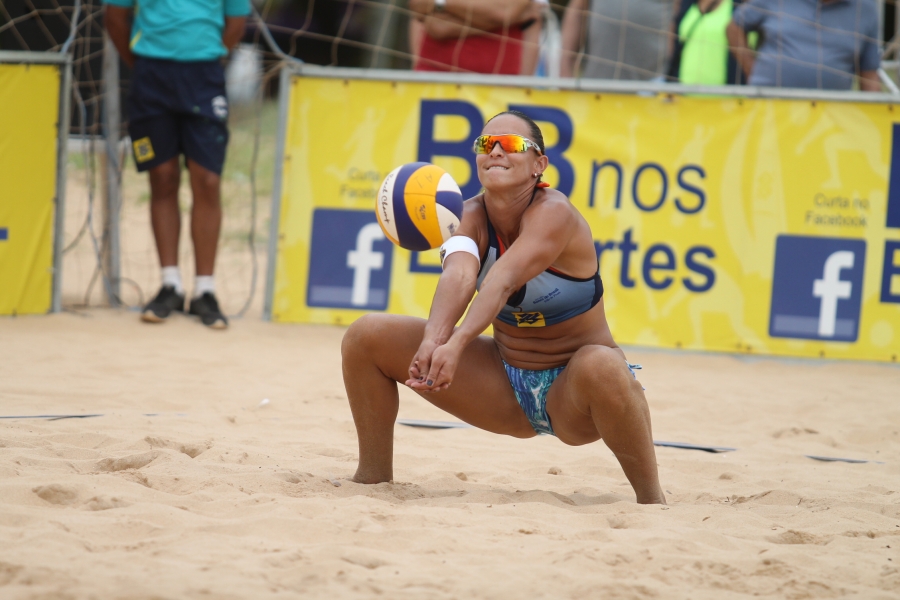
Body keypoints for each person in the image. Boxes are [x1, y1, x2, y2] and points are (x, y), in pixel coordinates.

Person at [341, 111, 666, 505]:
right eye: (484, 144)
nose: (494, 151)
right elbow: (459, 277)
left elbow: (503, 280)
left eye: (510, 144)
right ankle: (373, 478)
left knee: (603, 364)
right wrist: (432, 341)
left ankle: (652, 501)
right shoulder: (465, 216)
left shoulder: (555, 214)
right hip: (503, 387)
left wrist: (455, 344)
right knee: (364, 336)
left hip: (576, 395)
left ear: (539, 164)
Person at [104, 0, 250, 329]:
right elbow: (114, 18)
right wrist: (142, 65)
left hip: (204, 75)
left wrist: (200, 58)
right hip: (150, 75)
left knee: (208, 180)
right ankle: (170, 284)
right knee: (162, 177)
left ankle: (205, 291)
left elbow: (236, 25)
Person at [726, 0, 881, 91]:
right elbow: (734, 27)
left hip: (831, 120)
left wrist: (877, 116)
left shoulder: (865, 9)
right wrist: (751, 70)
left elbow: (869, 75)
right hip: (768, 108)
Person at [408, 0, 542, 75]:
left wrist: (440, 3)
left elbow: (506, 11)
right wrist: (502, 18)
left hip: (502, 88)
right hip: (434, 81)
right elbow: (436, 25)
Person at [561, 0, 677, 80]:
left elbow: (678, 19)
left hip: (651, 94)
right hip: (596, 91)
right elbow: (578, 8)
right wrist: (565, 69)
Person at [668, 0, 748, 85]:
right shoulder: (687, 4)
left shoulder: (739, 6)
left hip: (728, 93)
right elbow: (675, 43)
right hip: (683, 92)